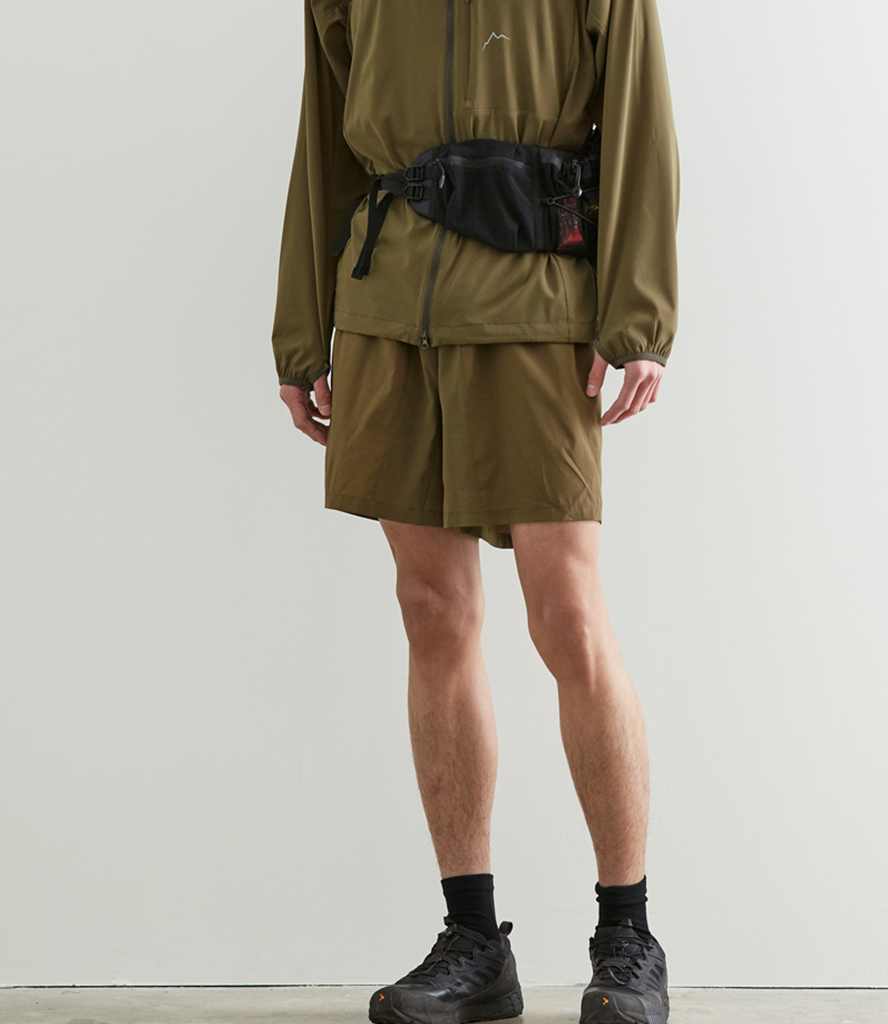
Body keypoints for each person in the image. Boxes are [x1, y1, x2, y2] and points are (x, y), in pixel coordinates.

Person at [271, 2, 679, 1022]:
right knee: (432, 612)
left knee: (568, 617)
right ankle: (473, 940)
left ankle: (627, 935)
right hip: (385, 311)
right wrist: (302, 330)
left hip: (536, 304)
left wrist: (638, 315)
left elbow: (640, 122)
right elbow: (323, 141)